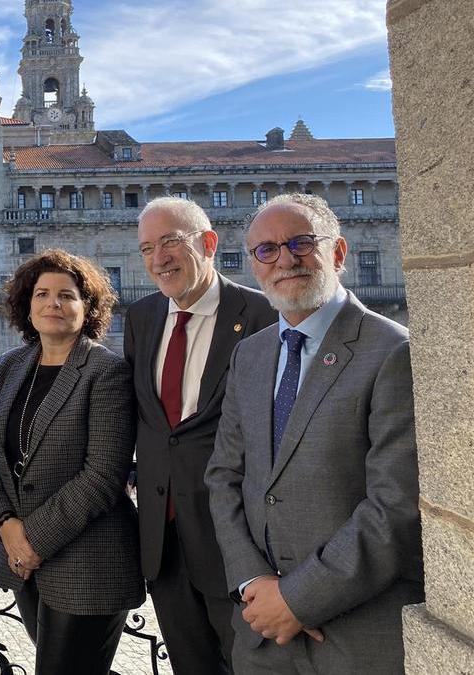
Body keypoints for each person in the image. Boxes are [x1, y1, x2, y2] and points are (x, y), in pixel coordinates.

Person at [206, 194, 424, 673]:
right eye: (267, 251)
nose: (284, 259)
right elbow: (224, 477)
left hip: (355, 634)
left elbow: (397, 505)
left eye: (300, 244)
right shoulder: (251, 354)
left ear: (339, 253)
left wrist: (298, 600)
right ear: (254, 266)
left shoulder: (392, 351)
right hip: (261, 633)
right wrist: (251, 582)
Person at [0, 249, 144, 674]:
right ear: (26, 305)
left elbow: (104, 475)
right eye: (42, 294)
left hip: (89, 565)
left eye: (67, 295)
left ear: (87, 308)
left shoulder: (105, 371)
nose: (53, 304)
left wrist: (31, 539)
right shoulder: (10, 366)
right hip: (24, 565)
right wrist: (5, 525)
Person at [124, 197, 276, 673]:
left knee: (252, 665)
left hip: (235, 542)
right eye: (148, 247)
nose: (158, 258)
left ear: (209, 243)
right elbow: (150, 421)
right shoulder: (142, 317)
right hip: (163, 541)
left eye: (171, 241)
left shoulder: (262, 315)